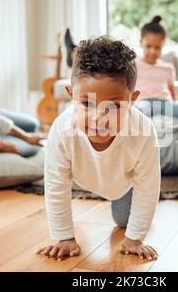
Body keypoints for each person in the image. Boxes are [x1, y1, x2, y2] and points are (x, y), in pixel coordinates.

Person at [37, 36, 161, 261]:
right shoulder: (62, 129)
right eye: (86, 104)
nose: (99, 117)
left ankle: (125, 215)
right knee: (59, 183)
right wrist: (64, 237)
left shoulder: (143, 131)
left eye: (113, 106)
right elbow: (56, 184)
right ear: (70, 95)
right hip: (82, 176)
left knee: (124, 221)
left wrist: (135, 238)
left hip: (124, 183)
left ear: (132, 101)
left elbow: (148, 188)